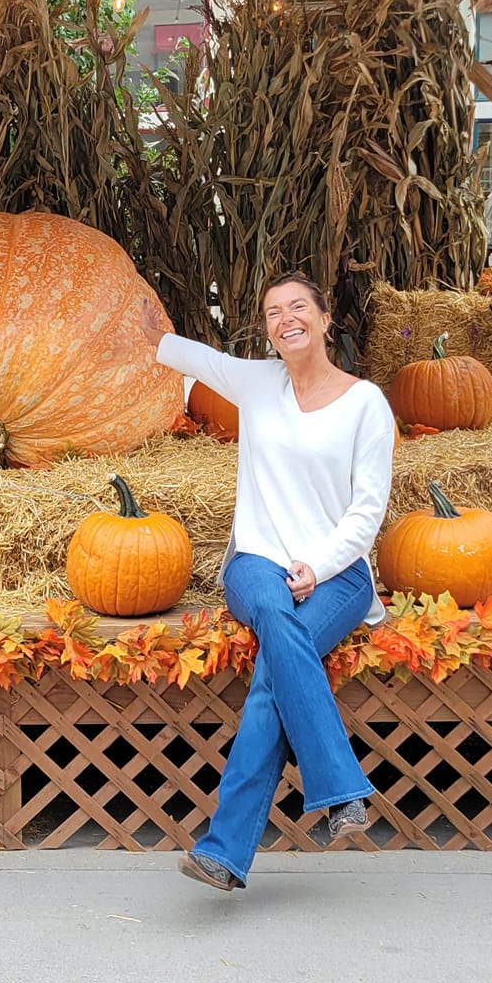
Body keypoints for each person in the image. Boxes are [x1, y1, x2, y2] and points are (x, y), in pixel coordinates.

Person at [138, 274, 395, 890]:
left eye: (298, 307)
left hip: (338, 575)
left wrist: (318, 565)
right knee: (279, 621)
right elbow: (199, 357)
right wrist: (153, 335)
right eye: (273, 312)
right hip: (257, 562)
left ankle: (224, 854)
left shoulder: (366, 404)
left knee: (273, 674)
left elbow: (368, 511)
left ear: (326, 318)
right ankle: (340, 790)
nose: (286, 319)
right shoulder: (257, 383)